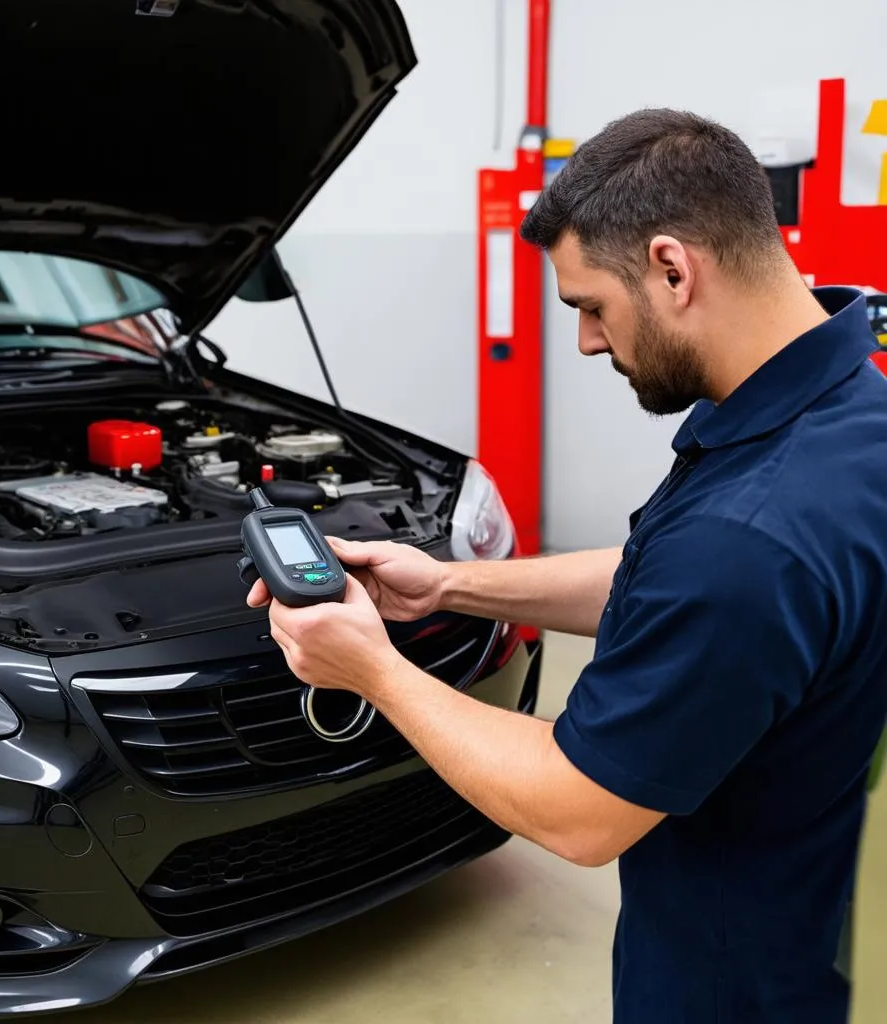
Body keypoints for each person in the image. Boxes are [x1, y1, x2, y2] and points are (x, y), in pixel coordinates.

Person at [246, 108, 887, 1024]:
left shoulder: (748, 537)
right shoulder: (847, 402)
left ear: (673, 268)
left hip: (737, 982)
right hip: (826, 918)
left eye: (590, 305)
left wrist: (371, 670)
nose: (586, 341)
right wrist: (450, 584)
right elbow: (662, 587)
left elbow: (580, 810)